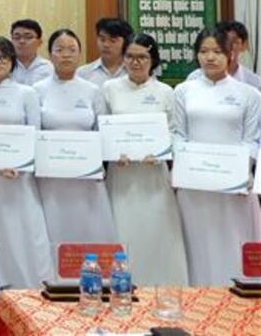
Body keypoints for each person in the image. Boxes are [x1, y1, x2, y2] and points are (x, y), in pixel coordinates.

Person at [0, 36, 53, 320]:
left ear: (12, 61)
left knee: (24, 228)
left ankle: (27, 287)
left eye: (4, 57)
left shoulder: (27, 93)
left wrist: (20, 165)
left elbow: (34, 134)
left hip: (18, 176)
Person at [172, 28, 261, 286]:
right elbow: (178, 135)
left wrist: (242, 171)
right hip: (194, 185)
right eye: (203, 51)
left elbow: (252, 140)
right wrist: (184, 168)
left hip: (234, 186)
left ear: (231, 54)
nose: (210, 57)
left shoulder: (249, 94)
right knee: (198, 243)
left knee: (234, 240)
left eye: (217, 51)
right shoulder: (183, 91)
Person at [100, 33, 188, 286]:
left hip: (154, 176)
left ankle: (162, 288)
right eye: (130, 56)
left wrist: (162, 152)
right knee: (122, 231)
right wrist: (111, 153)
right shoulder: (110, 89)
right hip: (121, 175)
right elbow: (102, 129)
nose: (136, 62)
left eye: (142, 57)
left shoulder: (166, 92)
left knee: (158, 232)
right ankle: (122, 286)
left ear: (153, 60)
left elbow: (175, 132)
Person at [33, 28, 117, 246]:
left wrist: (101, 165)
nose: (66, 55)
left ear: (80, 53)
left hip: (86, 177)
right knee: (54, 231)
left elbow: (102, 132)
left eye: (72, 49)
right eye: (59, 49)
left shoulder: (92, 90)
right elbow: (32, 134)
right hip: (51, 177)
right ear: (50, 54)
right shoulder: (37, 90)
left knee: (88, 231)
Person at [187, 20, 261, 90]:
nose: (228, 46)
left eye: (233, 42)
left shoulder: (254, 83)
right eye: (223, 42)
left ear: (244, 45)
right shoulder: (194, 78)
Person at [76, 18, 133, 87]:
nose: (106, 45)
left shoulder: (134, 72)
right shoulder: (82, 74)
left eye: (113, 41)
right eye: (102, 40)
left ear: (126, 43)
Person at [9, 19, 52, 86]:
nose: (22, 41)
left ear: (39, 42)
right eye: (17, 37)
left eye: (28, 37)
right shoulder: (5, 67)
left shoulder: (48, 68)